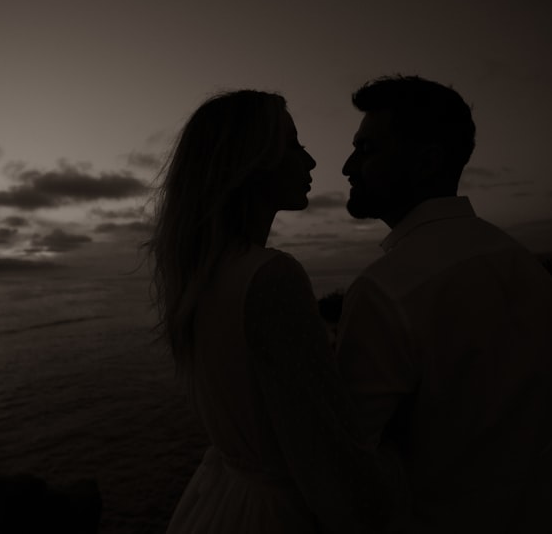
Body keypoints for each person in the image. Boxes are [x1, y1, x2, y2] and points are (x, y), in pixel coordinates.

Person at [150, 90, 408, 533]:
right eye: (292, 144)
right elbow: (327, 457)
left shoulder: (200, 279)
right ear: (250, 162)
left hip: (221, 504)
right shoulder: (270, 277)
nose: (310, 161)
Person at [336, 75, 552, 533]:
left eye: (367, 150)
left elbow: (347, 458)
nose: (347, 166)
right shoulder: (530, 271)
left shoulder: (386, 290)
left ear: (427, 163)